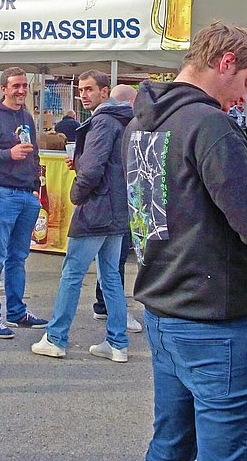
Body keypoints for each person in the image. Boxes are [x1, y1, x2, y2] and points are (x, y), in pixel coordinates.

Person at [124, 21, 247, 461]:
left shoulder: (138, 125)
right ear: (225, 62)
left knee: (170, 447)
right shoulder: (208, 125)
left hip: (166, 309)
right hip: (216, 322)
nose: (245, 97)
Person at [32, 71, 132, 363]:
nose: (83, 94)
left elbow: (94, 168)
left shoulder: (103, 121)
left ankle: (56, 337)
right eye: (81, 90)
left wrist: (77, 192)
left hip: (97, 208)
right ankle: (117, 341)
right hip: (116, 207)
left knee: (73, 274)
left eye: (89, 89)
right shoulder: (123, 120)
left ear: (105, 91)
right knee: (110, 275)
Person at [0, 67, 48, 337]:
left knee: (18, 257)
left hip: (25, 194)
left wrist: (35, 184)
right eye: (15, 86)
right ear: (4, 89)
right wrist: (8, 153)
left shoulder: (27, 117)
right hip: (2, 193)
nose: (21, 91)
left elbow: (35, 154)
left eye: (24, 86)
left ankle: (17, 311)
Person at [92, 84, 141, 332]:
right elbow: (96, 166)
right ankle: (116, 315)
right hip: (116, 203)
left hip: (111, 202)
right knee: (113, 261)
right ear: (130, 103)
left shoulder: (107, 123)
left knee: (108, 262)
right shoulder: (119, 125)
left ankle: (106, 307)